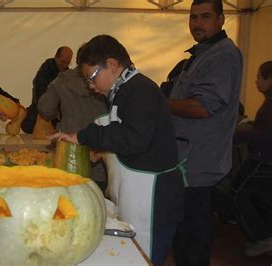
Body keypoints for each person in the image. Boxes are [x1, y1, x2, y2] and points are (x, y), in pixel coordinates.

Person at [49, 35, 185, 265]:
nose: (92, 87)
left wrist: (83, 136)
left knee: (145, 258)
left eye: (92, 78)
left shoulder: (140, 90)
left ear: (111, 65)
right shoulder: (124, 90)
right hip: (138, 196)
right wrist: (102, 149)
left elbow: (135, 138)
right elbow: (125, 131)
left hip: (153, 201)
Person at [167, 0, 243, 265]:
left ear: (222, 19)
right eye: (193, 17)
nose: (197, 23)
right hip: (185, 167)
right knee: (183, 244)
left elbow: (202, 107)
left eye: (206, 17)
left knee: (192, 247)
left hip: (199, 170)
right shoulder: (201, 54)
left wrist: (159, 103)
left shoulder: (223, 55)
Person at [37, 44, 108, 190]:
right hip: (100, 150)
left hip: (68, 154)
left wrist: (57, 112)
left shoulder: (62, 80)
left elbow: (44, 108)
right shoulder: (106, 81)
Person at [233, 61, 272, 256]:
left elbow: (265, 136)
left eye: (259, 77)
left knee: (237, 194)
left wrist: (245, 130)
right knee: (261, 199)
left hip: (262, 160)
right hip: (262, 159)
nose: (256, 81)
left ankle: (261, 238)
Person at [21, 46, 73, 133]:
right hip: (41, 116)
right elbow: (40, 96)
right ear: (56, 57)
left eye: (68, 63)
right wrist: (53, 111)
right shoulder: (44, 73)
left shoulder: (67, 75)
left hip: (57, 119)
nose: (65, 66)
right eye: (63, 62)